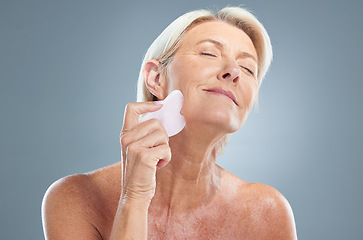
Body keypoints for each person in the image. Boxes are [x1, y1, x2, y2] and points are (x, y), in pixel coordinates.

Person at [41, 6, 297, 239]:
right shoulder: (74, 198)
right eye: (209, 53)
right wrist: (135, 197)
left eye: (249, 68)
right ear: (156, 78)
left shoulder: (267, 212)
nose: (234, 72)